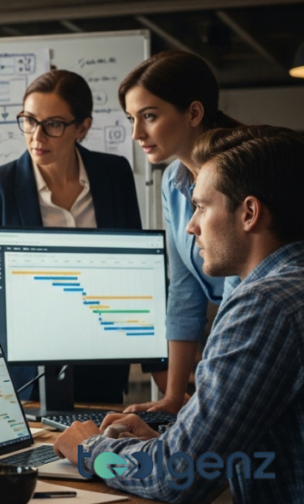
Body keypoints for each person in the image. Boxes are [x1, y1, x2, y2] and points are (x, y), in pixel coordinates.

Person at [54, 125, 304, 503]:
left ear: (249, 212)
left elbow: (175, 479)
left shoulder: (264, 307)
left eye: (202, 207)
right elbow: (257, 459)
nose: (190, 226)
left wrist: (90, 451)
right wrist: (169, 443)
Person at [0, 70, 140, 404]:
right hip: (27, 373)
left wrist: (161, 367)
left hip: (100, 361)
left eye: (53, 124)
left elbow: (135, 269)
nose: (37, 136)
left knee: (97, 453)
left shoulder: (114, 174)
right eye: (29, 120)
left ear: (82, 127)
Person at [119, 50, 242, 415]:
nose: (137, 133)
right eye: (131, 119)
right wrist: (173, 399)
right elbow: (185, 290)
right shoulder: (173, 181)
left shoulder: (238, 173)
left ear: (193, 113)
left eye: (150, 116)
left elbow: (241, 296)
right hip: (227, 336)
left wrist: (205, 405)